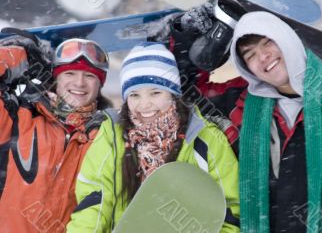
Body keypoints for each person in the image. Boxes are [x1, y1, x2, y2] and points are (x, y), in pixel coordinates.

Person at [172, 8, 322, 232]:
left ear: (287, 39)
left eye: (268, 43)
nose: (262, 56)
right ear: (246, 67)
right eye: (249, 54)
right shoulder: (239, 106)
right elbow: (175, 93)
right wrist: (192, 36)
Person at [66, 43, 240, 232]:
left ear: (173, 95)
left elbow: (229, 210)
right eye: (134, 95)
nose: (144, 105)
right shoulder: (112, 136)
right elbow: (94, 201)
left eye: (155, 93)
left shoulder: (204, 138)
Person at [0, 36, 112, 232]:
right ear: (55, 78)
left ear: (100, 85)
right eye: (69, 73)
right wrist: (17, 55)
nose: (79, 83)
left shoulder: (105, 136)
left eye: (90, 76)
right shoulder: (18, 117)